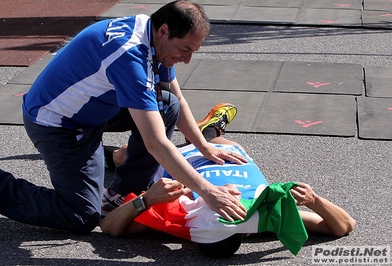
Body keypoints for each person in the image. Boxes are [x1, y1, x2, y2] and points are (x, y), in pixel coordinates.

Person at [0, 1, 247, 233]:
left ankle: (121, 193)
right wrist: (208, 192)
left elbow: (176, 99)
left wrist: (203, 147)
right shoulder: (129, 57)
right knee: (80, 216)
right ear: (165, 31)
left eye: (193, 51)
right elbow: (155, 143)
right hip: (58, 125)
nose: (188, 60)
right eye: (184, 49)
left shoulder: (150, 31)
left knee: (167, 105)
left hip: (91, 109)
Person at [99, 107, 356, 258]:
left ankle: (97, 153)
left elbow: (109, 226)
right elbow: (344, 226)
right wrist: (315, 201)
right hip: (226, 152)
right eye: (233, 205)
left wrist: (145, 200)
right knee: (216, 144)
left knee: (128, 154)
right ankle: (208, 132)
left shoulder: (181, 218)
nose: (230, 195)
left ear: (196, 224)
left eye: (218, 207)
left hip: (168, 158)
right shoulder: (262, 216)